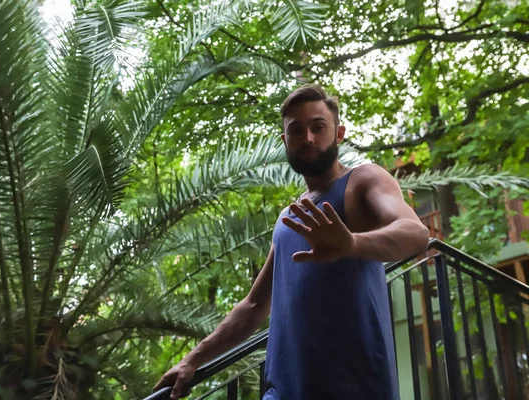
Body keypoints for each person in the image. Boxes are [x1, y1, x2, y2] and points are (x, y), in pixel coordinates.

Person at [153, 84, 429, 399]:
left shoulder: (363, 180)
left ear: (339, 134)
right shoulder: (289, 217)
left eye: (318, 127)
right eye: (296, 131)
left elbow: (416, 233)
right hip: (283, 391)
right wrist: (193, 359)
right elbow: (254, 305)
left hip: (354, 388)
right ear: (285, 142)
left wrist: (350, 243)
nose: (308, 137)